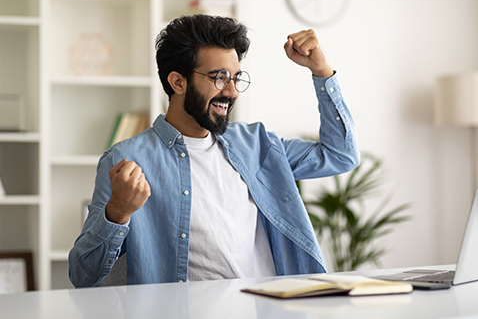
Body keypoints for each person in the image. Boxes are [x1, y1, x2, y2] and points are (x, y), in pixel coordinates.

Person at [68, 14, 359, 287]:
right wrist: (117, 212)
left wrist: (321, 72)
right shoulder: (127, 160)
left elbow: (340, 155)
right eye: (219, 77)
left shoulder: (256, 144)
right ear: (178, 81)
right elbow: (83, 274)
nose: (231, 91)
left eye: (235, 78)